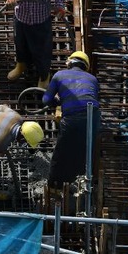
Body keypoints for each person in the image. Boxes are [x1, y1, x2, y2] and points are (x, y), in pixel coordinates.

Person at [5, 0, 67, 89]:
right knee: (21, 44)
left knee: (42, 49)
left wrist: (59, 4)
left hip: (41, 17)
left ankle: (44, 75)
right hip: (22, 15)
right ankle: (21, 65)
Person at [42, 51, 100, 195]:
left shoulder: (59, 75)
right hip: (93, 117)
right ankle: (79, 183)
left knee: (62, 151)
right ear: (85, 66)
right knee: (83, 151)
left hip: (72, 118)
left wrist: (60, 100)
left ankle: (54, 186)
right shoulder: (92, 79)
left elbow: (46, 100)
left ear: (69, 62)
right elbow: (89, 96)